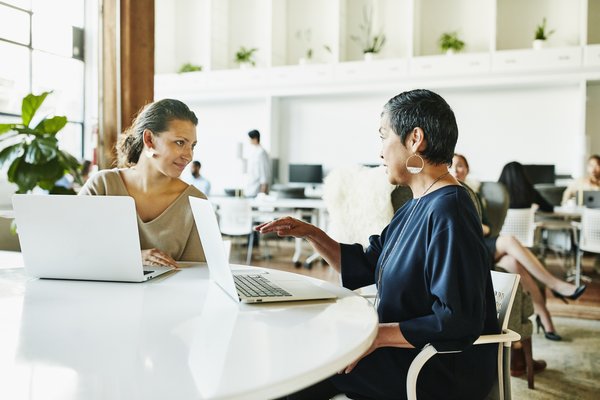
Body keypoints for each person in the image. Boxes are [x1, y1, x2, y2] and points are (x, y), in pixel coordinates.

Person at [257, 89, 499, 400]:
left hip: (434, 369)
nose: (381, 153)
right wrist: (312, 234)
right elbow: (367, 264)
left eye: (384, 136)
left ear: (414, 139)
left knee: (299, 375)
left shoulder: (450, 209)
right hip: (404, 353)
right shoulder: (416, 205)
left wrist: (376, 337)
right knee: (299, 360)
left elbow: (458, 320)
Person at [452, 154, 586, 343]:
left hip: (484, 243)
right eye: (453, 165)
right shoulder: (450, 193)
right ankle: (555, 285)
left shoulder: (478, 195)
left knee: (515, 264)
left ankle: (545, 318)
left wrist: (478, 225)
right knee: (509, 241)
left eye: (461, 166)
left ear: (467, 169)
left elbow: (488, 227)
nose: (457, 170)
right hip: (470, 248)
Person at [79, 99, 206, 266]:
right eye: (180, 142)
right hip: (98, 291)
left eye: (192, 146)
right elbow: (75, 248)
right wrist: (132, 258)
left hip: (167, 292)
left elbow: (197, 275)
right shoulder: (102, 185)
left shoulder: (196, 202)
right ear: (149, 140)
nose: (189, 156)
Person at [244, 129, 271, 197]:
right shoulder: (254, 152)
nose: (249, 140)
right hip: (250, 189)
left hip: (257, 191)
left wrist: (262, 193)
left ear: (255, 139)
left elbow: (264, 172)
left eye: (250, 139)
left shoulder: (262, 153)